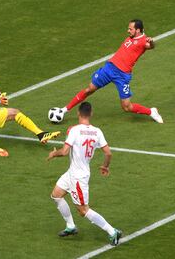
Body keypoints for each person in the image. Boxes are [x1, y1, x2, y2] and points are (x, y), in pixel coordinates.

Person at [60, 19, 163, 124]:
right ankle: (64, 110)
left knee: (127, 107)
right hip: (109, 68)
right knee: (89, 89)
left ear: (138, 30)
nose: (128, 31)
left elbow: (150, 46)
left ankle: (151, 112)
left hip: (122, 76)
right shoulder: (131, 37)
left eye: (130, 29)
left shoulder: (144, 41)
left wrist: (151, 42)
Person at [47, 102, 122, 246]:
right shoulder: (97, 131)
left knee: (83, 210)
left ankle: (112, 232)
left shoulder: (74, 130)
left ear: (78, 113)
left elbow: (64, 152)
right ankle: (70, 226)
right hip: (73, 172)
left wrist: (53, 153)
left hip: (78, 177)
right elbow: (108, 153)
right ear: (91, 113)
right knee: (56, 195)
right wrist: (105, 166)